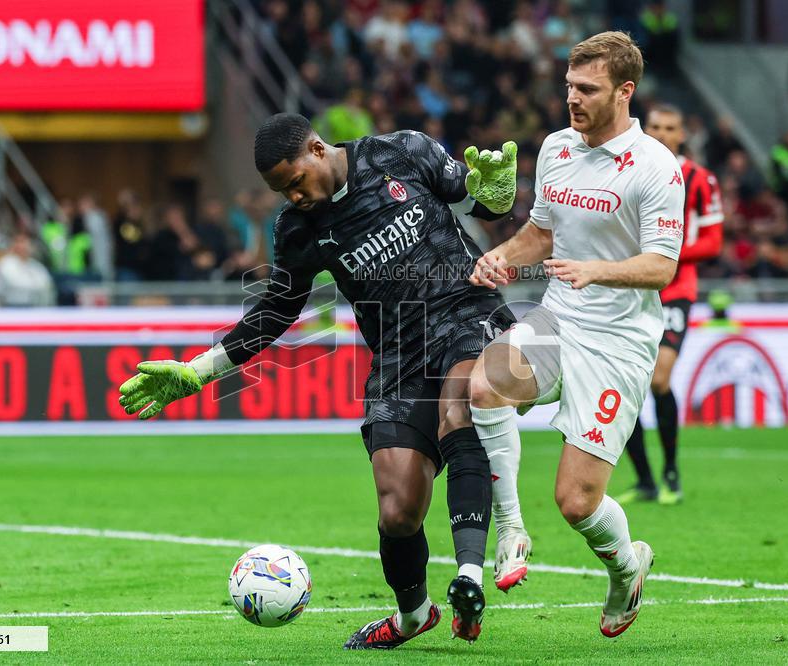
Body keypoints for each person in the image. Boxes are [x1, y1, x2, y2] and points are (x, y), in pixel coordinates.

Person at [118, 113, 519, 648]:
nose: (293, 196)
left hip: (466, 314)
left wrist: (497, 191)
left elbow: (482, 203)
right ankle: (413, 615)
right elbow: (276, 311)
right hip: (398, 354)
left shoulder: (399, 152)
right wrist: (198, 370)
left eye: (294, 181)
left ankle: (469, 576)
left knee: (458, 408)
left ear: (316, 148)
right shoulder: (298, 229)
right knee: (397, 510)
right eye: (281, 190)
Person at [466, 32, 683, 637]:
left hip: (618, 343)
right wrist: (503, 256)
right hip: (560, 315)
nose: (573, 100)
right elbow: (540, 233)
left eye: (587, 89)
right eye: (569, 88)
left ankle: (625, 571)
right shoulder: (558, 147)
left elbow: (662, 265)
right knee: (483, 387)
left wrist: (598, 270)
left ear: (624, 91)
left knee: (577, 502)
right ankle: (510, 529)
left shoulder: (656, 168)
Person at [619, 103, 723, 505]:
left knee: (660, 379)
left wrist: (664, 255)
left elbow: (714, 241)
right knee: (625, 384)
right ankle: (645, 480)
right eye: (656, 126)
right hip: (631, 288)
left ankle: (672, 472)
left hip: (676, 288)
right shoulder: (627, 170)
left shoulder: (699, 179)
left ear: (683, 134)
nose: (662, 133)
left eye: (670, 127)